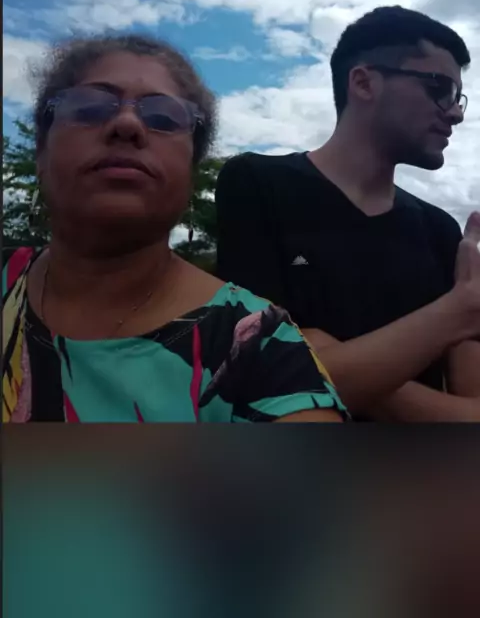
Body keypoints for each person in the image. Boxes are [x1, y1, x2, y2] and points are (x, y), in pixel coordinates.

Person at [2, 33, 347, 424]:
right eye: (89, 108)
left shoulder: (262, 346)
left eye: (163, 118)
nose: (127, 124)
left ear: (190, 169)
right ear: (41, 152)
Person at [215, 6, 480, 421]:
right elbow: (258, 377)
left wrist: (327, 361)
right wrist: (454, 314)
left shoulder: (440, 231)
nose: (456, 113)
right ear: (363, 82)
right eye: (439, 88)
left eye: (458, 97)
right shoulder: (257, 183)